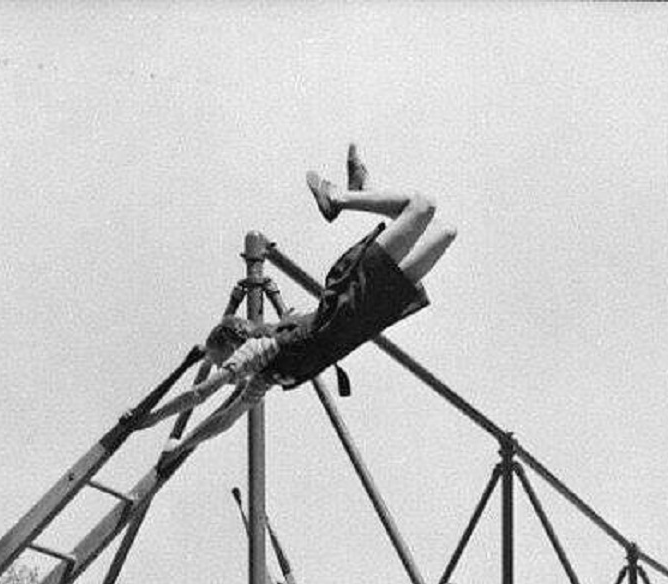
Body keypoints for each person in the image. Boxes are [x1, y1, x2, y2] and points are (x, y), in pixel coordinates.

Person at [153, 143, 456, 453]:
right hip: (371, 314)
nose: (227, 375)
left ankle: (340, 197)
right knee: (445, 231)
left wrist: (146, 422)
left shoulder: (260, 347)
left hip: (350, 296)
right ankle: (363, 191)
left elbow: (200, 395)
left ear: (233, 344)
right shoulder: (265, 377)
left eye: (221, 361)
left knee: (423, 206)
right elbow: (225, 418)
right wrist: (183, 444)